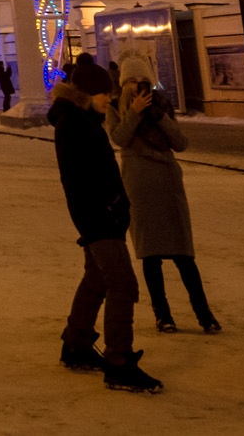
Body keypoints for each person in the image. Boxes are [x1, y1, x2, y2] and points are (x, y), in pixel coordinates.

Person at [51, 55, 161, 394]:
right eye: (102, 93)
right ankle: (118, 362)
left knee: (97, 280)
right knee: (122, 285)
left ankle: (77, 344)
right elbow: (83, 178)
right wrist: (111, 207)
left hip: (99, 215)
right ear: (84, 93)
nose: (108, 98)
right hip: (99, 217)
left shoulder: (79, 120)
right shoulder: (76, 125)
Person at [107, 51, 218, 335]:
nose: (138, 85)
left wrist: (159, 117)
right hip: (140, 184)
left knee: (184, 254)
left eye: (143, 79)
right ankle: (163, 315)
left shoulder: (162, 105)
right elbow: (119, 138)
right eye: (131, 80)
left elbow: (180, 143)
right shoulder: (115, 107)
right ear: (123, 82)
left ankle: (204, 314)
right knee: (151, 256)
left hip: (168, 182)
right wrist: (135, 112)